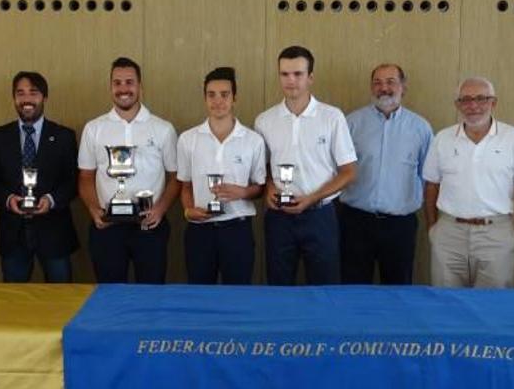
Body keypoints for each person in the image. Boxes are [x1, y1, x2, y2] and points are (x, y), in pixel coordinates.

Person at [255, 46, 357, 285]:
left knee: (325, 288)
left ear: (310, 77)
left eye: (298, 74)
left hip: (320, 214)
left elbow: (350, 171)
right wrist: (269, 188)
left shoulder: (332, 117)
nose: (291, 80)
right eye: (284, 74)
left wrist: (312, 198)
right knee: (279, 286)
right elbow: (263, 169)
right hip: (279, 217)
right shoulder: (264, 120)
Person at [423, 77, 514, 288]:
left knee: (492, 308)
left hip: (496, 233)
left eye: (481, 99)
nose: (473, 106)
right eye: (465, 100)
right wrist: (433, 228)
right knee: (446, 304)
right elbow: (431, 185)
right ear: (457, 105)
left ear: (493, 102)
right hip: (449, 233)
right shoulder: (443, 139)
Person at [78, 57, 179, 283]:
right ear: (110, 87)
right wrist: (94, 210)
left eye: (129, 82)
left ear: (140, 86)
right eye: (117, 83)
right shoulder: (94, 129)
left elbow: (175, 178)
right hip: (107, 227)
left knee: (151, 295)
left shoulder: (163, 128)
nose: (123, 89)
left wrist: (160, 210)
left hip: (149, 224)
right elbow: (85, 177)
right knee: (110, 296)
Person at [338, 64, 433, 285]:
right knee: (352, 289)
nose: (384, 88)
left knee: (398, 289)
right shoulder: (351, 123)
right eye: (377, 82)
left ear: (403, 86)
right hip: (355, 222)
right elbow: (339, 172)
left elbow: (427, 177)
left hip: (400, 225)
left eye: (390, 81)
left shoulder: (421, 128)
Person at [0, 71, 79, 282]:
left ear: (44, 98)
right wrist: (8, 199)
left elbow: (73, 182)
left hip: (54, 232)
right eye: (20, 93)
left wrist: (51, 200)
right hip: (12, 233)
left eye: (33, 93)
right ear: (14, 99)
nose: (26, 99)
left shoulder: (64, 136)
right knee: (14, 301)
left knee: (61, 299)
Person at [177, 67, 266, 284]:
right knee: (199, 296)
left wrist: (243, 192)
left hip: (237, 229)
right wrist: (188, 210)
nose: (218, 101)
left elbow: (260, 187)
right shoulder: (188, 140)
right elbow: (185, 186)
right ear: (205, 98)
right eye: (211, 95)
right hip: (200, 231)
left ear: (235, 97)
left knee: (237, 296)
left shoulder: (253, 140)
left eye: (224, 94)